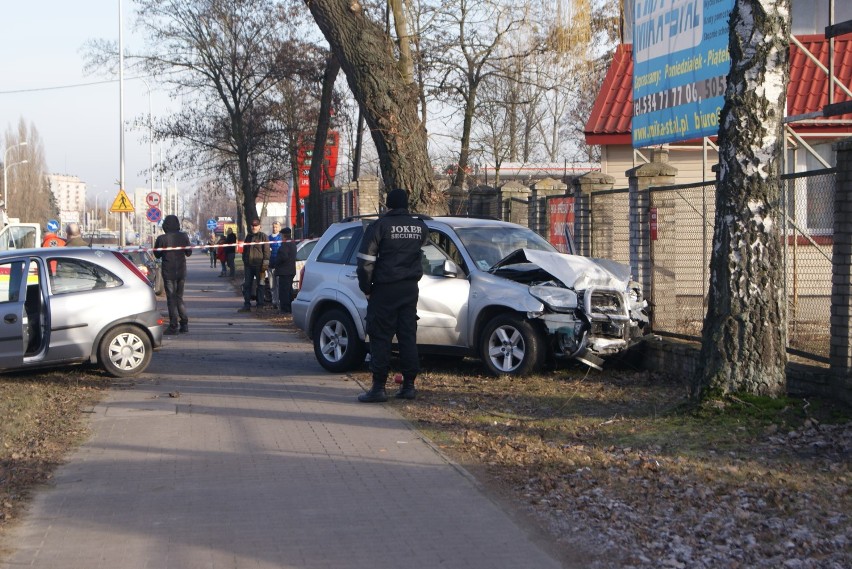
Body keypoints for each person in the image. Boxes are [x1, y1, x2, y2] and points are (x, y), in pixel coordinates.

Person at [355, 188, 428, 402]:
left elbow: (365, 261)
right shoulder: (419, 227)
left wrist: (366, 287)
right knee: (407, 336)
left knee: (380, 336)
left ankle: (378, 388)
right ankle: (409, 386)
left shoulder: (380, 226)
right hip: (409, 289)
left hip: (385, 288)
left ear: (388, 205)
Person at [153, 214, 192, 335]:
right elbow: (189, 253)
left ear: (165, 225)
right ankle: (184, 324)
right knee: (179, 297)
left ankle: (173, 325)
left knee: (171, 299)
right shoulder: (184, 236)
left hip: (168, 271)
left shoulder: (162, 239)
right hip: (181, 271)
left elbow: (157, 255)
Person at [238, 218, 270, 312]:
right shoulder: (248, 237)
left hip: (260, 266)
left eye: (256, 225)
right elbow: (245, 250)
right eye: (252, 225)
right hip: (249, 266)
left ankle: (260, 305)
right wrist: (245, 261)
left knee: (261, 285)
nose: (254, 227)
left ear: (260, 226)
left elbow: (267, 252)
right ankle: (247, 305)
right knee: (247, 285)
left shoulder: (263, 237)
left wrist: (265, 265)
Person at [272, 227, 297, 314]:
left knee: (284, 292)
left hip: (284, 271)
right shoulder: (292, 243)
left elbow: (283, 256)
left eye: (281, 235)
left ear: (284, 235)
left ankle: (285, 309)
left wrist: (276, 263)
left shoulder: (285, 244)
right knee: (289, 291)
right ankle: (289, 308)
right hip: (290, 270)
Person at [267, 221, 283, 309]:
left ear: (279, 228)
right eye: (273, 227)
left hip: (279, 266)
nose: (275, 228)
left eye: (276, 227)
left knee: (278, 285)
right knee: (272, 285)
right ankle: (274, 301)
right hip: (270, 265)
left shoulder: (281, 238)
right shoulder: (268, 238)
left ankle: (279, 301)